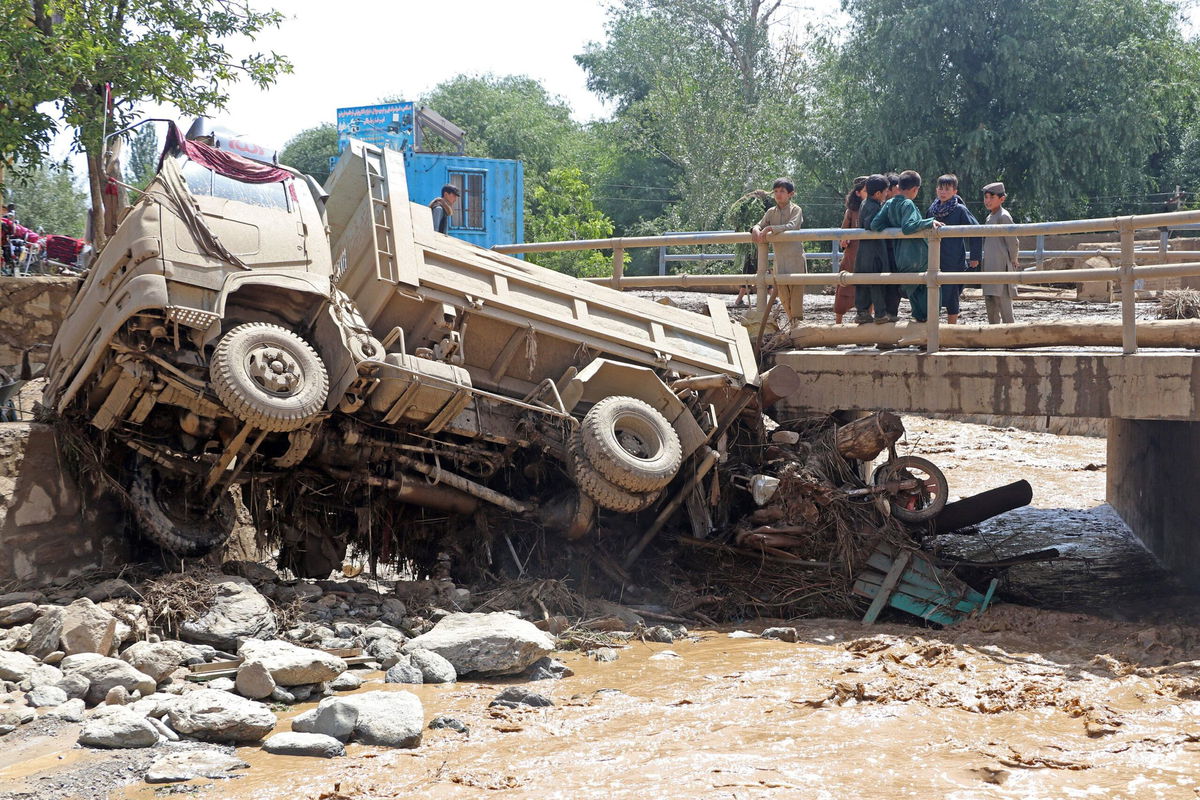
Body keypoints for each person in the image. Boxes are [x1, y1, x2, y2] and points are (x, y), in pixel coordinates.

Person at [869, 170, 944, 323]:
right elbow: (908, 227)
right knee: (931, 297)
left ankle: (920, 334)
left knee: (915, 298)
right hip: (917, 257)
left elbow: (875, 224)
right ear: (915, 189)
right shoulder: (907, 203)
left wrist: (891, 226)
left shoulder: (889, 203)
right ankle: (930, 338)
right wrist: (928, 222)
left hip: (901, 258)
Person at [927, 174, 981, 325]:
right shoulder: (932, 210)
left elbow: (976, 230)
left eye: (947, 189)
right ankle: (933, 329)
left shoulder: (960, 210)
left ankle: (952, 328)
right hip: (934, 258)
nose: (943, 192)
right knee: (932, 293)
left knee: (952, 295)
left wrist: (975, 257)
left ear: (954, 191)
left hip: (954, 259)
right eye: (940, 188)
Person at [751, 178, 806, 323]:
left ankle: (797, 326)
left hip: (795, 259)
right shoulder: (770, 212)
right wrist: (756, 229)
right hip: (779, 261)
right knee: (783, 296)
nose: (778, 194)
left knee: (796, 296)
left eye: (782, 191)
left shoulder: (796, 210)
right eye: (775, 191)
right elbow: (759, 224)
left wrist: (771, 229)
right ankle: (792, 326)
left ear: (791, 194)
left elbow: (792, 225)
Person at [854, 174, 899, 324]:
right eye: (886, 192)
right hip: (875, 252)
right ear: (879, 193)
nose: (887, 194)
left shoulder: (864, 203)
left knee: (863, 283)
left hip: (864, 251)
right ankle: (880, 313)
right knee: (876, 282)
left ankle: (862, 311)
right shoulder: (874, 206)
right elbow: (871, 224)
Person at [980, 181, 1020, 324]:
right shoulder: (990, 217)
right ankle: (994, 334)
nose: (987, 201)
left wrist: (1014, 259)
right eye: (986, 197)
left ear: (1002, 199)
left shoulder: (1004, 216)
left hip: (1001, 266)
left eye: (991, 197)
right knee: (990, 302)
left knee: (1004, 303)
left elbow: (1013, 241)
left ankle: (1011, 336)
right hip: (990, 266)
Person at [727, 189, 772, 307]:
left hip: (758, 242)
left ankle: (771, 296)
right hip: (754, 244)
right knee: (754, 269)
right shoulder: (755, 209)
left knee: (759, 268)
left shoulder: (766, 210)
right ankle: (771, 297)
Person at [835, 177, 869, 324]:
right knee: (844, 288)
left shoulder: (877, 207)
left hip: (868, 255)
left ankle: (866, 320)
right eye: (867, 190)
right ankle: (838, 322)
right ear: (858, 193)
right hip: (851, 256)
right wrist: (844, 238)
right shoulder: (851, 211)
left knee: (868, 287)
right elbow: (843, 233)